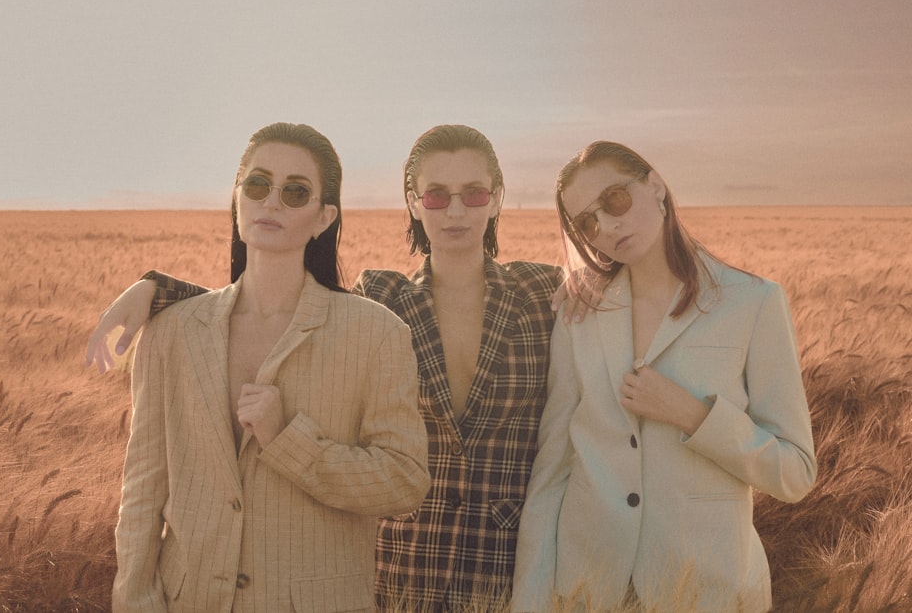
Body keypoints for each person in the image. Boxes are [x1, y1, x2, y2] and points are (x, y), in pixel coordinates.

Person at [89, 125, 563, 611]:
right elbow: (276, 303)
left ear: (497, 198)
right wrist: (156, 289)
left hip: (510, 571)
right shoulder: (386, 297)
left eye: (474, 193)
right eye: (438, 195)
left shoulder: (545, 294)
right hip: (402, 572)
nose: (457, 210)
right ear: (414, 202)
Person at [111, 122, 430, 613]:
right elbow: (142, 491)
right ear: (237, 201)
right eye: (257, 185)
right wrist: (135, 602)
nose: (272, 201)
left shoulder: (377, 333)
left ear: (324, 217)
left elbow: (404, 481)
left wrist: (288, 441)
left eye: (295, 191)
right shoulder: (171, 332)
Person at [511, 141, 817, 613]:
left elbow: (795, 473)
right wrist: (529, 601)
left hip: (706, 591)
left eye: (614, 199)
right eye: (588, 221)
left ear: (656, 185)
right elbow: (552, 471)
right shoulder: (581, 313)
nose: (607, 226)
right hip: (588, 592)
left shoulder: (754, 303)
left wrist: (693, 415)